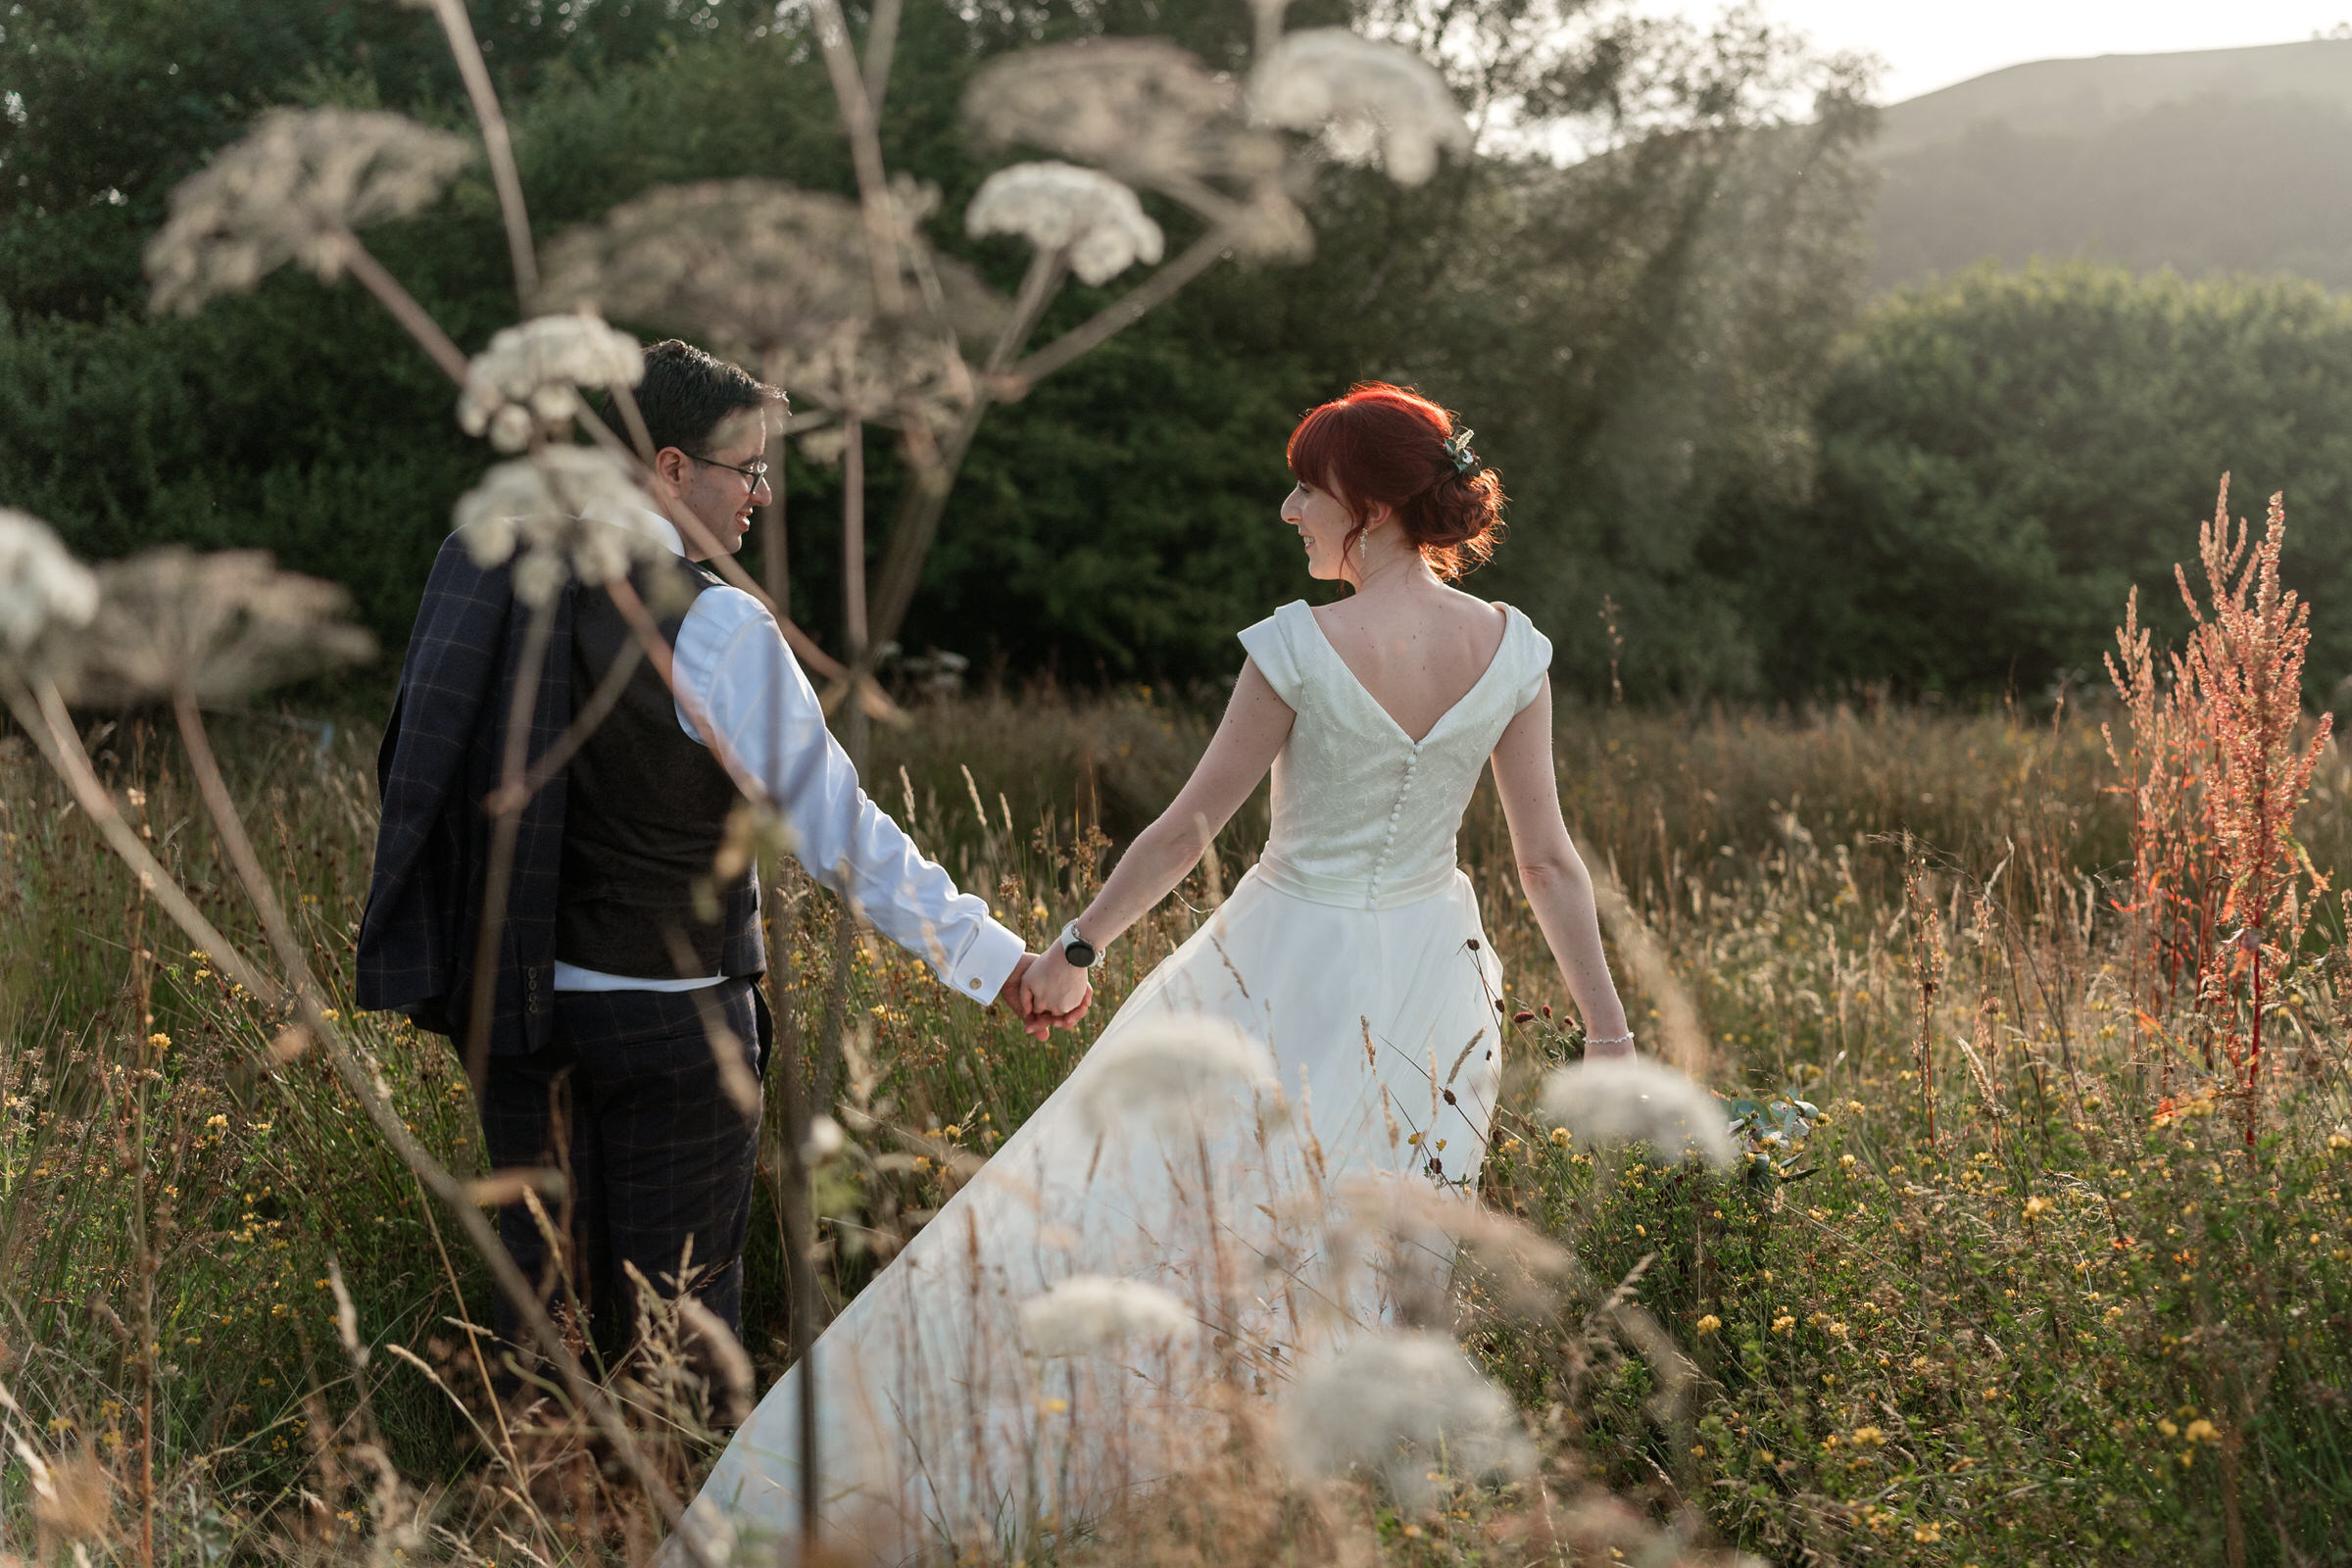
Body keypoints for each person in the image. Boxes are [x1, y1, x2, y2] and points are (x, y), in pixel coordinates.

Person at [678, 382, 1635, 1562]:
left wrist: (1071, 952)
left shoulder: (1299, 644)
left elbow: (1187, 830)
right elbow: (1547, 859)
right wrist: (1608, 1032)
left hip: (1275, 966)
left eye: (1307, 488)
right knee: (1371, 1251)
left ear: (1373, 507)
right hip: (1435, 981)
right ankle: (1318, 1492)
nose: (1290, 511)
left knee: (1146, 1212)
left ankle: (1110, 1465)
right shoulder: (1513, 648)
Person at [357, 338, 1086, 1367]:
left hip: (517, 1020)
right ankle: (680, 1521)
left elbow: (418, 773)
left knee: (542, 1330)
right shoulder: (712, 622)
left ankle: (551, 1518)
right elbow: (838, 833)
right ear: (666, 466)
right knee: (684, 1342)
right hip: (674, 1026)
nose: (761, 495)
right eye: (745, 467)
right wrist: (997, 959)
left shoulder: (492, 580)